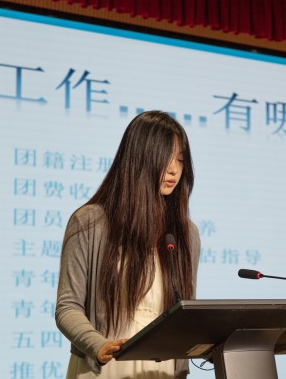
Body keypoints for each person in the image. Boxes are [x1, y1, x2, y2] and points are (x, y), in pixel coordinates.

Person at [56, 111, 201, 378]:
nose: (174, 169)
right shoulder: (90, 222)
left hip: (162, 369)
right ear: (139, 159)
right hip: (106, 364)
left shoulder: (185, 234)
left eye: (181, 160)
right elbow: (68, 306)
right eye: (166, 157)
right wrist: (97, 345)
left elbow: (183, 312)